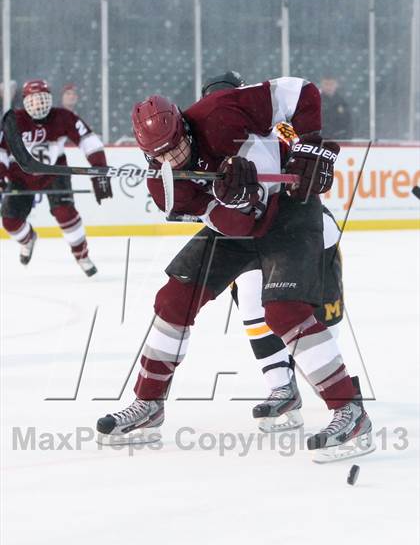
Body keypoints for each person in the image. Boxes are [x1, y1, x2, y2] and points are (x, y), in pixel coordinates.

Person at [96, 76, 374, 462]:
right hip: (239, 226)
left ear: (183, 126)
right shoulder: (164, 185)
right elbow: (235, 226)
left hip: (291, 210)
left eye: (176, 147)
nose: (173, 160)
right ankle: (149, 403)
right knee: (173, 301)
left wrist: (310, 144)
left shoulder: (221, 110)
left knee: (284, 311)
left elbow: (302, 91)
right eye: (160, 156)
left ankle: (350, 409)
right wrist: (239, 204)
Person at [201, 72, 345, 433]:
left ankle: (335, 389)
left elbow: (309, 167)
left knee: (321, 317)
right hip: (251, 236)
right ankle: (282, 387)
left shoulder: (276, 129)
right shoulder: (206, 146)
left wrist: (303, 163)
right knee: (251, 301)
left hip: (300, 230)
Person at [0, 79, 112, 276]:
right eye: (34, 101)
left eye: (42, 100)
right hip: (21, 176)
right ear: (25, 102)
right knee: (10, 222)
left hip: (54, 172)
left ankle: (82, 255)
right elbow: (1, 149)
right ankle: (28, 240)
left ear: (50, 99)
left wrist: (99, 169)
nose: (39, 105)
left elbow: (89, 141)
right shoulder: (14, 120)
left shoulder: (63, 117)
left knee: (65, 213)